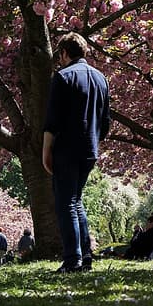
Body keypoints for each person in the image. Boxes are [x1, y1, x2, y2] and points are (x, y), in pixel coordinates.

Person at [43, 31, 111, 273]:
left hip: (67, 148)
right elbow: (106, 122)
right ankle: (86, 257)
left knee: (66, 203)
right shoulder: (102, 78)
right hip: (90, 148)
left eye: (59, 56)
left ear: (64, 53)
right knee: (76, 201)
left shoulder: (63, 77)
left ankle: (73, 259)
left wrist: (46, 151)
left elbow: (53, 121)